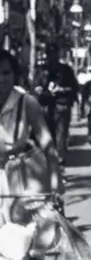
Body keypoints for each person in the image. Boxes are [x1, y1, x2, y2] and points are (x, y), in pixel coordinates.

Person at [0, 50, 63, 215]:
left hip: (25, 174)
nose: (1, 79)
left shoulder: (26, 102)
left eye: (6, 72)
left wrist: (55, 179)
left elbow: (47, 144)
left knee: (29, 231)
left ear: (14, 74)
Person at [40, 45, 79, 165]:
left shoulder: (66, 70)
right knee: (46, 135)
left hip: (61, 106)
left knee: (60, 135)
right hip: (45, 107)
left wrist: (61, 90)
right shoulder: (42, 70)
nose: (52, 57)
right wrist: (39, 90)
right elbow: (36, 86)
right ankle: (48, 161)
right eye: (49, 54)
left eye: (54, 54)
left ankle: (59, 162)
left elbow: (74, 87)